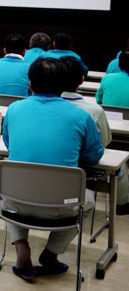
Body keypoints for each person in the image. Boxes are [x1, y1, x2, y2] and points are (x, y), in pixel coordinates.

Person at [2, 57, 103, 279]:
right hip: (61, 209)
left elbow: (8, 143)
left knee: (8, 195)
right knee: (88, 201)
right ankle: (50, 254)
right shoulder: (82, 116)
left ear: (30, 83)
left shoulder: (13, 109)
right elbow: (95, 155)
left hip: (15, 201)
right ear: (67, 85)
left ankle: (21, 247)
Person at [60, 56, 129, 214]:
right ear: (82, 80)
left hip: (36, 185)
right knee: (119, 164)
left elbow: (100, 98)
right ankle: (122, 205)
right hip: (80, 171)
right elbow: (104, 143)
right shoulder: (93, 112)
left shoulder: (28, 108)